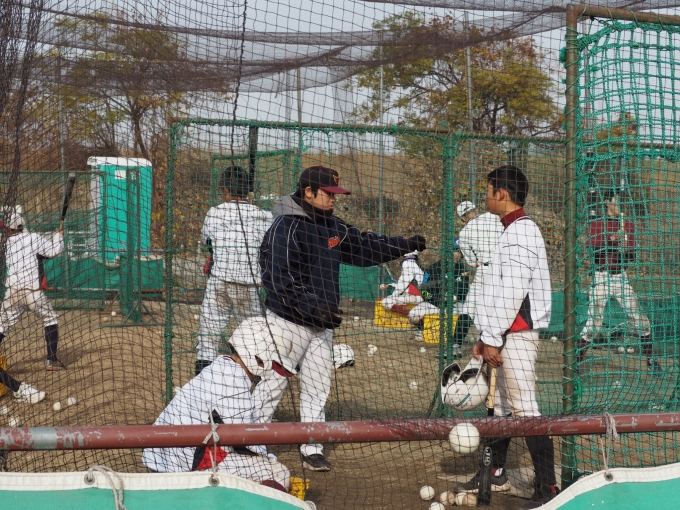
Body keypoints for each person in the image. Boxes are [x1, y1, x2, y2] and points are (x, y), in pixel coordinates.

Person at [257, 165, 426, 472]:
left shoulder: (331, 225)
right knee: (272, 385)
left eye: (336, 194)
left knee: (317, 387)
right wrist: (314, 307)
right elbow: (278, 280)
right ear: (308, 192)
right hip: (286, 323)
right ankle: (249, 442)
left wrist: (404, 245)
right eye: (328, 194)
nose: (334, 199)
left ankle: (312, 446)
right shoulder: (285, 227)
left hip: (321, 323)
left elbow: (365, 246)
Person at [455, 165, 558, 509]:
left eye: (488, 190)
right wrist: (486, 335)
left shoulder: (521, 232)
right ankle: (495, 473)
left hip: (517, 334)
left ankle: (547, 488)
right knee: (500, 408)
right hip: (504, 332)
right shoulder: (511, 229)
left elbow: (513, 293)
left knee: (525, 408)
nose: (485, 196)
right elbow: (498, 292)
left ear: (501, 193)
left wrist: (493, 338)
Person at [142, 318, 296, 492]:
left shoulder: (221, 366)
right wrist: (269, 460)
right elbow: (247, 442)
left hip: (162, 461)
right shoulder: (234, 380)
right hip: (180, 470)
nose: (270, 370)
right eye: (272, 364)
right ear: (259, 357)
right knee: (279, 473)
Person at [194, 166, 273, 376]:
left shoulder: (214, 212)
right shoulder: (264, 216)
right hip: (250, 285)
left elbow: (207, 242)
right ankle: (253, 385)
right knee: (253, 340)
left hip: (219, 282)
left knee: (208, 339)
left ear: (227, 189)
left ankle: (203, 385)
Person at [577, 190, 660, 375]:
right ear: (607, 202)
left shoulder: (627, 225)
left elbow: (632, 256)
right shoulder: (597, 223)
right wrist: (612, 239)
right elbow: (592, 248)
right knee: (594, 325)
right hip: (601, 277)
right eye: (616, 202)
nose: (619, 206)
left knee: (642, 321)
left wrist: (625, 244)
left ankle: (651, 361)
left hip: (620, 278)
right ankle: (574, 362)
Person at [0, 206, 65, 371]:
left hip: (13, 292)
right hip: (32, 292)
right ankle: (51, 360)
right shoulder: (33, 238)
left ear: (10, 228)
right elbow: (54, 251)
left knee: (2, 326)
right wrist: (58, 236)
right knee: (50, 319)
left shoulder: (5, 243)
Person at [455, 200, 504, 350]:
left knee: (469, 308)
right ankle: (500, 344)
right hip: (504, 268)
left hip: (484, 270)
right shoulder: (493, 217)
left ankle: (456, 344)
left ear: (463, 218)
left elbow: (471, 261)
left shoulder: (464, 233)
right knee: (501, 307)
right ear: (475, 209)